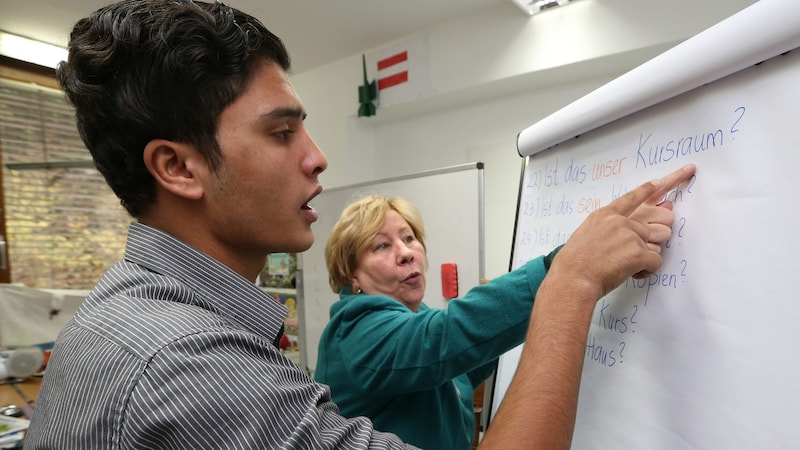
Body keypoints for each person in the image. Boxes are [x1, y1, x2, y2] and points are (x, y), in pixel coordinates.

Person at [22, 0, 696, 448]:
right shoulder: (190, 366)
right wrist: (570, 278)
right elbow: (448, 334)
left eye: (410, 239)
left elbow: (460, 350)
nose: (317, 158)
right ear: (179, 167)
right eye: (282, 132)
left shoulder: (131, 315)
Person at [314, 176, 690, 450]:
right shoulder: (354, 329)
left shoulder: (415, 318)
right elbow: (440, 339)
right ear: (351, 272)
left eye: (409, 238)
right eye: (381, 246)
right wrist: (568, 267)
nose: (406, 251)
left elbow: (461, 365)